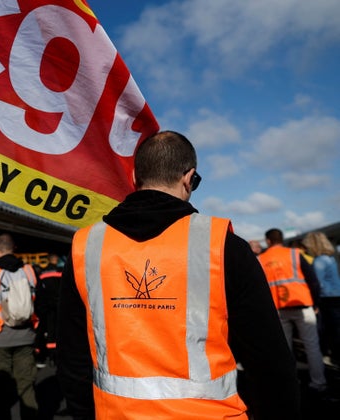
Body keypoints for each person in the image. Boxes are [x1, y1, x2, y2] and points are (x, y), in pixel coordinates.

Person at [57, 131, 301, 420]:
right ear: (190, 178)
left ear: (135, 177)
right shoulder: (222, 245)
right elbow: (269, 361)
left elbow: (72, 357)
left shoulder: (87, 247)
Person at [0, 233, 38, 420]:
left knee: (0, 389)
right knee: (26, 387)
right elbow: (40, 303)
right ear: (15, 249)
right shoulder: (28, 270)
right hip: (26, 335)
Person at [259, 228, 327, 394]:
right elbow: (313, 281)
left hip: (278, 309)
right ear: (281, 239)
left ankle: (290, 383)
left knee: (285, 348)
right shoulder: (295, 254)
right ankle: (319, 383)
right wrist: (316, 303)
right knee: (312, 346)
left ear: (268, 241)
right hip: (302, 304)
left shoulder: (261, 259)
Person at [302, 231, 340, 366]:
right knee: (335, 328)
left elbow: (317, 283)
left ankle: (332, 356)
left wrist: (314, 303)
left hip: (326, 298)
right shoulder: (329, 258)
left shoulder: (319, 261)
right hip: (335, 296)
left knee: (327, 329)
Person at [34, 253, 62, 368]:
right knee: (57, 333)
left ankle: (42, 356)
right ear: (56, 260)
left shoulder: (42, 274)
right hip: (58, 308)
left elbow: (39, 293)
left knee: (45, 332)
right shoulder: (61, 272)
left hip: (45, 308)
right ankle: (55, 357)